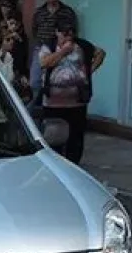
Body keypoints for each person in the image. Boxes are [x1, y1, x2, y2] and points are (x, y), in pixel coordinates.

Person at [39, 21, 104, 164]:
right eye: (64, 33)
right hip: (53, 102)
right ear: (57, 32)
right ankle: (55, 164)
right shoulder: (49, 46)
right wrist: (63, 52)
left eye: (71, 33)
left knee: (76, 137)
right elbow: (44, 63)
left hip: (77, 101)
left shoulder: (81, 45)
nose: (68, 36)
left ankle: (74, 164)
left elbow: (100, 53)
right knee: (54, 137)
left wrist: (89, 71)